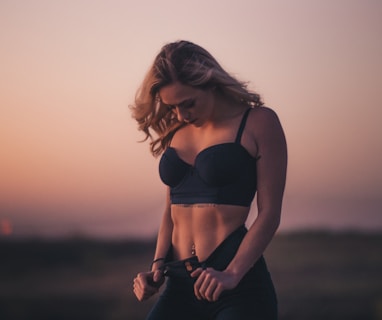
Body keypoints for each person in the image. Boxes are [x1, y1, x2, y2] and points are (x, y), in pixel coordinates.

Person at [131, 40, 287, 320]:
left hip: (236, 287)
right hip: (179, 284)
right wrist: (156, 267)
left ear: (210, 82)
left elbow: (270, 214)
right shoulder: (175, 131)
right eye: (172, 107)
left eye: (188, 103)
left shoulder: (258, 122)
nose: (181, 115)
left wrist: (232, 273)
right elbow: (170, 212)